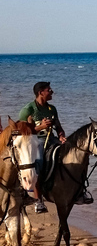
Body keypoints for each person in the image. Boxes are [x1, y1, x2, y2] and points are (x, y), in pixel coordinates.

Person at [19, 82, 68, 213]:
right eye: (49, 90)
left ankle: (78, 191)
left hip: (51, 139)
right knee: (38, 163)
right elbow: (21, 132)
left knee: (71, 154)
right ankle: (38, 201)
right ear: (41, 92)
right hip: (35, 141)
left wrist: (62, 136)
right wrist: (40, 127)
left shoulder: (52, 109)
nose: (52, 92)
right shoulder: (28, 110)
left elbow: (58, 127)